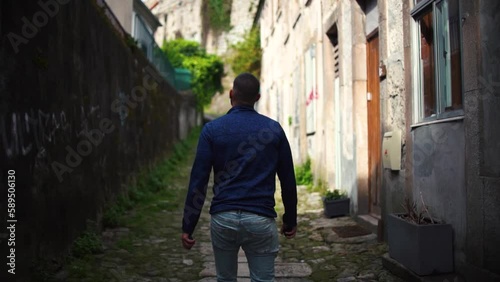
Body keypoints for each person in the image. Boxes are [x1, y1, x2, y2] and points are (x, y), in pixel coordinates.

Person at [181, 72, 298, 282]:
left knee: (225, 279)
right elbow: (288, 179)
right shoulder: (274, 130)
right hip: (260, 219)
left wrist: (188, 225)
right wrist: (290, 220)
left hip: (223, 218)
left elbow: (198, 180)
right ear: (258, 98)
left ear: (231, 94)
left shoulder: (211, 130)